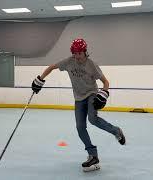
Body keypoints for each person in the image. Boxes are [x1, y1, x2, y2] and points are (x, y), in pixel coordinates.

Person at [31, 38, 125, 171]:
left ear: (85, 52)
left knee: (92, 119)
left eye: (79, 53)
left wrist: (104, 94)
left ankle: (116, 131)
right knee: (80, 127)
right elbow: (52, 67)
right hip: (79, 98)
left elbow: (106, 82)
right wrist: (40, 79)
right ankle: (92, 155)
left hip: (91, 94)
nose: (77, 56)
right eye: (74, 53)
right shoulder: (69, 62)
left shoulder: (91, 64)